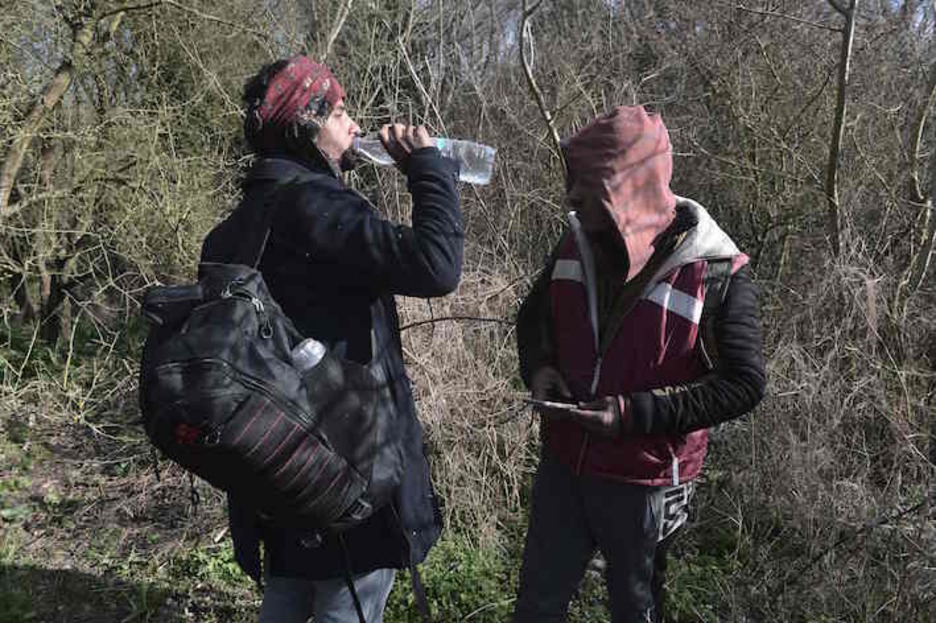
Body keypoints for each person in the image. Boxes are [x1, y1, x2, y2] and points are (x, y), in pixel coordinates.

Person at [200, 55, 463, 623]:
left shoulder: (231, 230)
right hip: (347, 467)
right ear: (304, 124)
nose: (353, 123)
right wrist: (430, 171)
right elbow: (437, 267)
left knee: (288, 599)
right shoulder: (319, 207)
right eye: (338, 111)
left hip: (268, 459)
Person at [513, 106, 766, 623]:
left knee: (637, 609)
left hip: (646, 485)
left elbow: (744, 384)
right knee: (537, 606)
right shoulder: (575, 241)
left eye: (587, 183)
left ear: (628, 190)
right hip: (564, 467)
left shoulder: (715, 271)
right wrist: (539, 368)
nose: (571, 196)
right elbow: (533, 318)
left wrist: (631, 414)